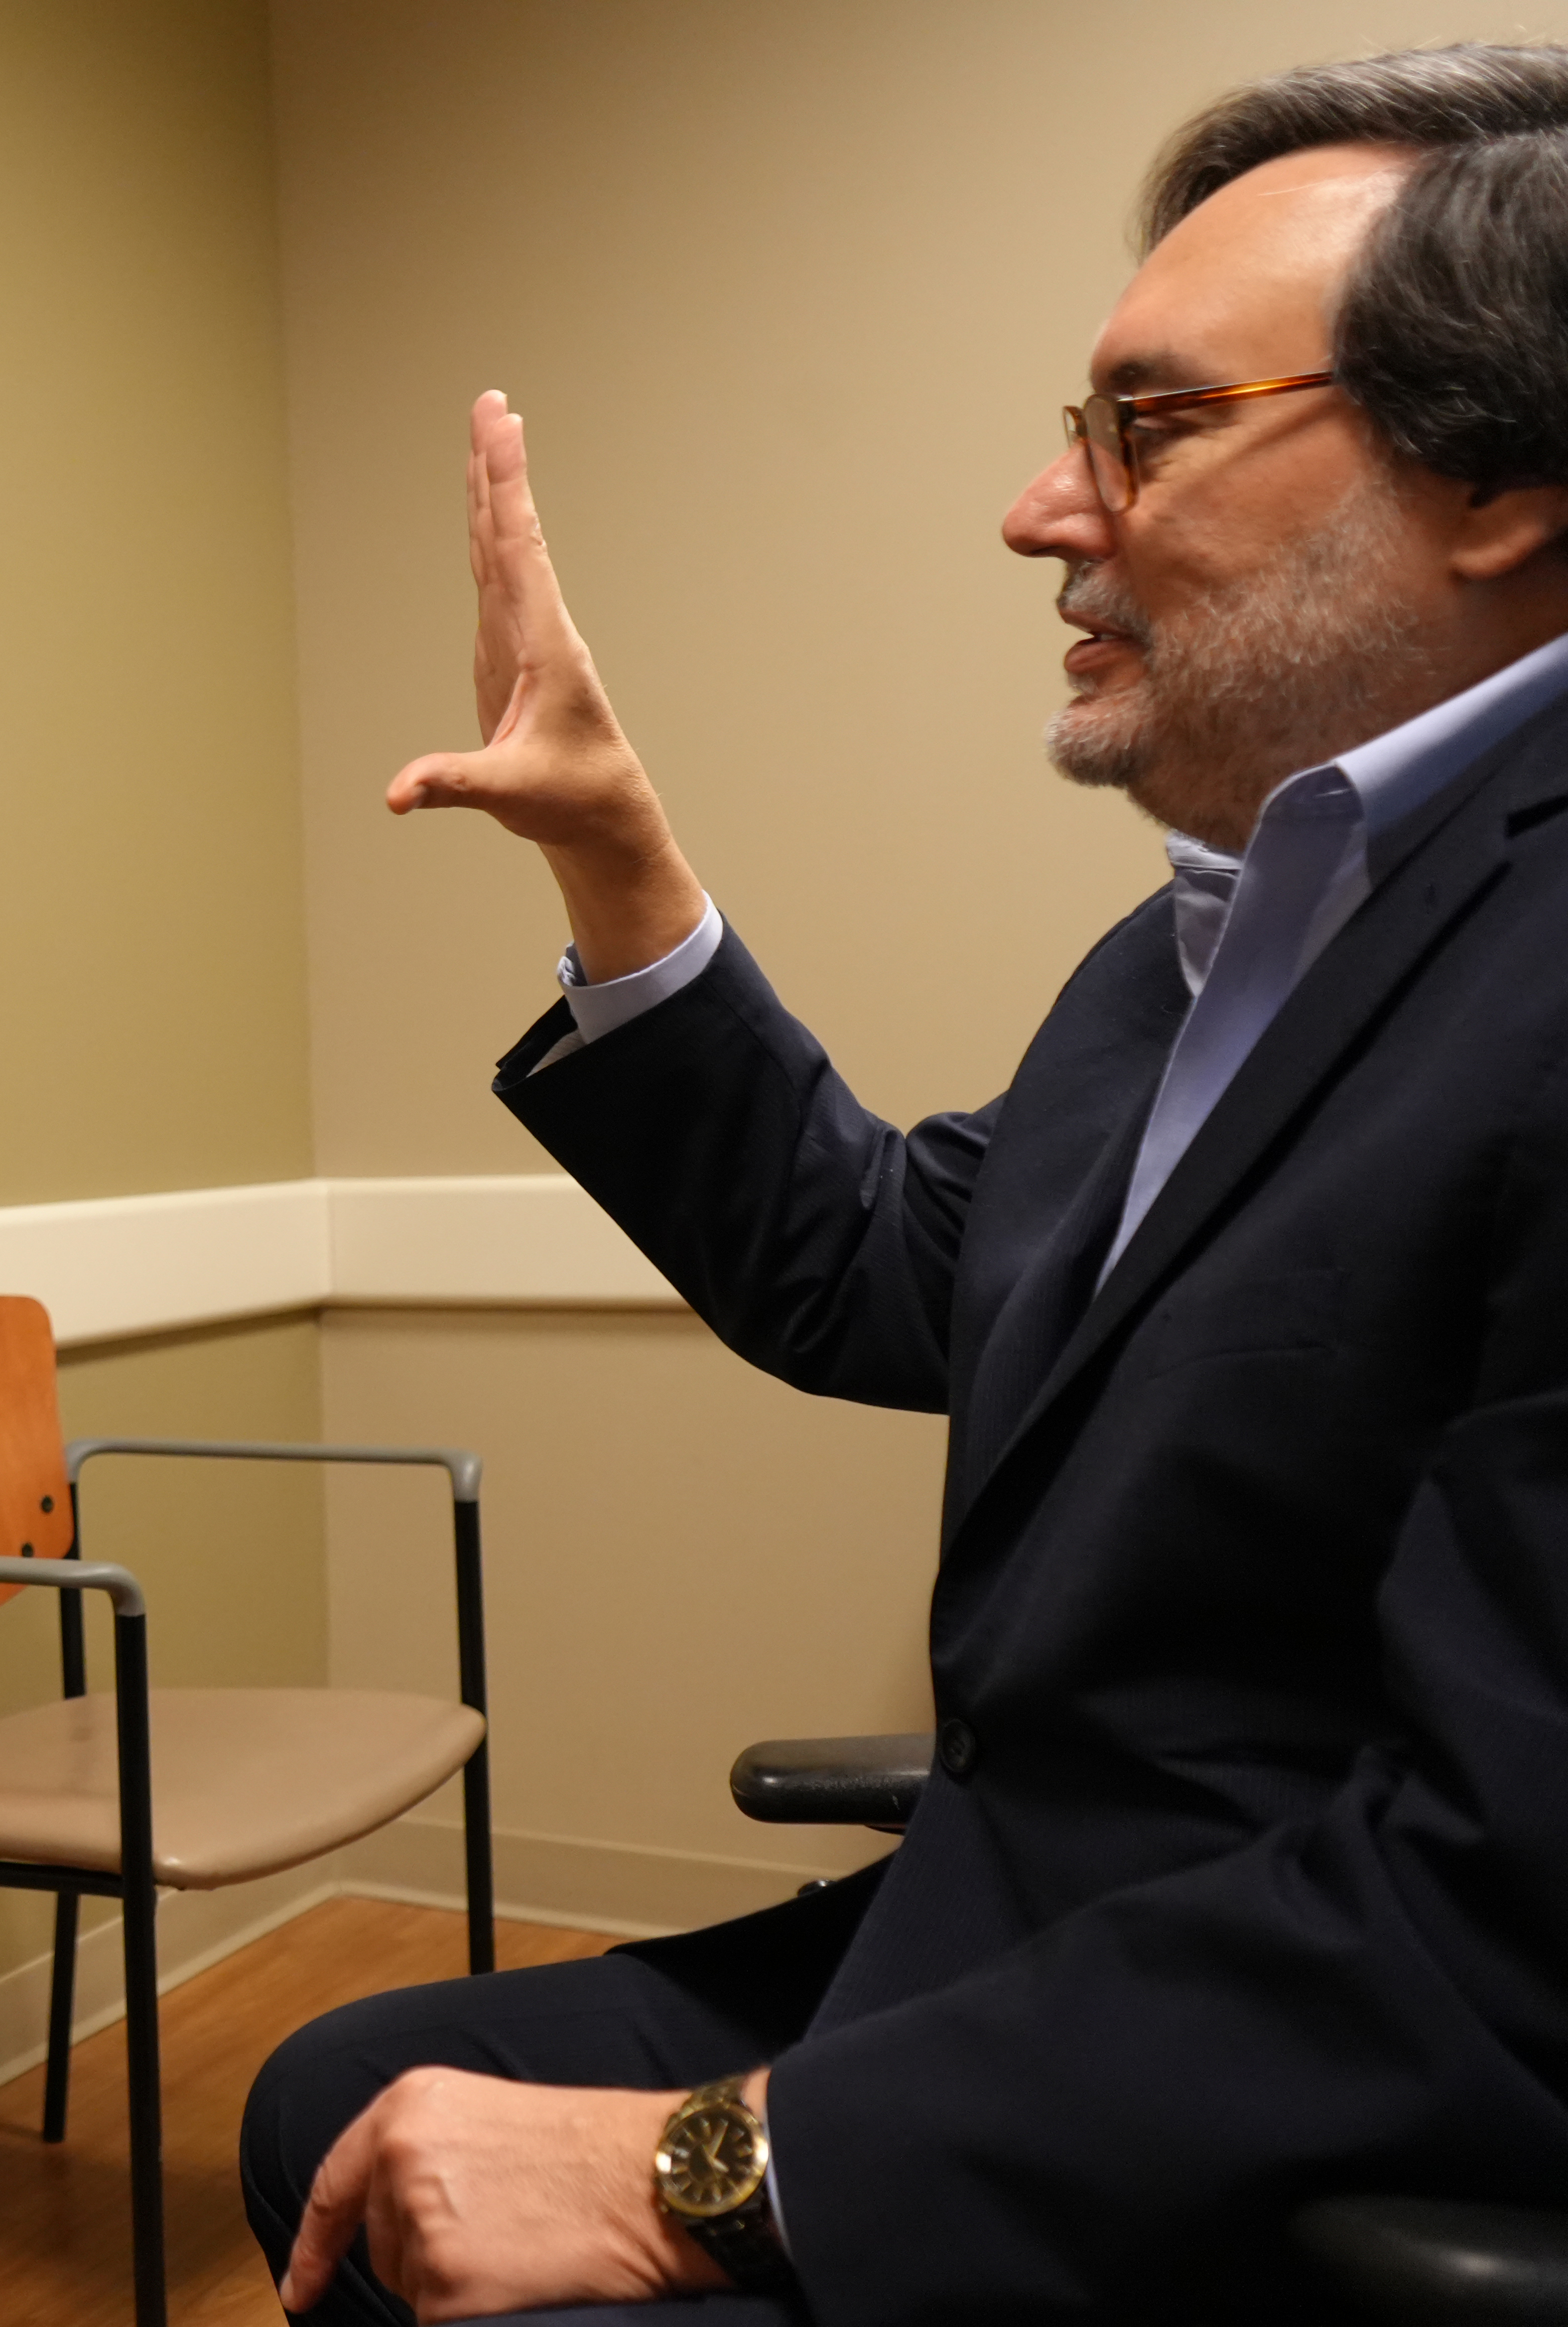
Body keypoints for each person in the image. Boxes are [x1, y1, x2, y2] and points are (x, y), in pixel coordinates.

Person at [238, 42, 1568, 2326]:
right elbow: (872, 1262)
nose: (1040, 511)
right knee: (339, 2089)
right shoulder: (1206, 950)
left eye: (1143, 426)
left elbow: (1502, 1904)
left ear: (1501, 481)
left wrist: (706, 2168)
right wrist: (613, 861)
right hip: (1008, 1924)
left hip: (1268, 2093)